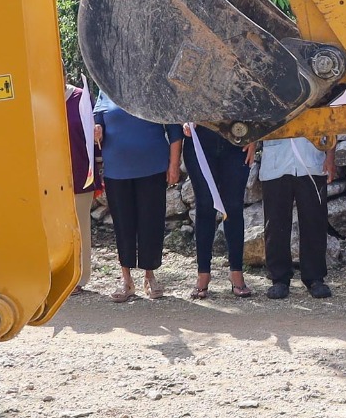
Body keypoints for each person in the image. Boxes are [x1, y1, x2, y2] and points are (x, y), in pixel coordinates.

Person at [92, 93, 182, 302]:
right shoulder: (105, 88)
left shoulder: (153, 87)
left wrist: (174, 164)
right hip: (117, 169)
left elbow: (175, 130)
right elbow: (98, 123)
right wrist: (97, 130)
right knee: (123, 226)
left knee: (151, 223)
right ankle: (126, 280)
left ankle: (150, 276)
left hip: (152, 167)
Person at [182, 124, 256, 299]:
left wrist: (255, 137)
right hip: (199, 141)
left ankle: (236, 272)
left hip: (237, 139)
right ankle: (203, 274)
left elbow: (254, 99)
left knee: (233, 207)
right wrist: (183, 120)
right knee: (205, 205)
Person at [258, 135, 337, 299]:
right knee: (275, 224)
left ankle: (315, 277)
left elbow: (330, 121)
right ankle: (279, 278)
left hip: (312, 160)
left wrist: (330, 156)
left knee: (314, 221)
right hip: (276, 162)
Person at [66, 82, 100, 294]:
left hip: (80, 174)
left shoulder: (81, 98)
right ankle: (58, 278)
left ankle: (79, 278)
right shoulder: (39, 98)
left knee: (80, 226)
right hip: (50, 179)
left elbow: (96, 132)